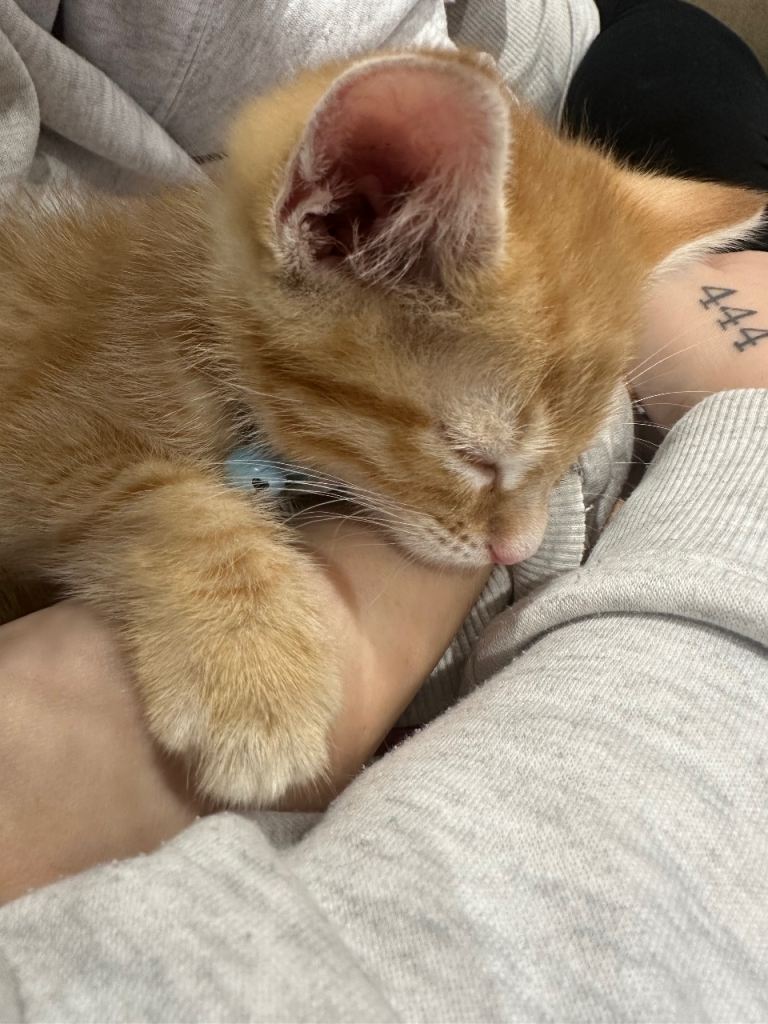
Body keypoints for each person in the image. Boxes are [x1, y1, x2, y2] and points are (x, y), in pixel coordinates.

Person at [0, 1, 766, 1020]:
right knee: (672, 66)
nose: (509, 538)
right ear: (338, 222)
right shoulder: (183, 311)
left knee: (660, 63)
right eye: (475, 458)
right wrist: (193, 548)